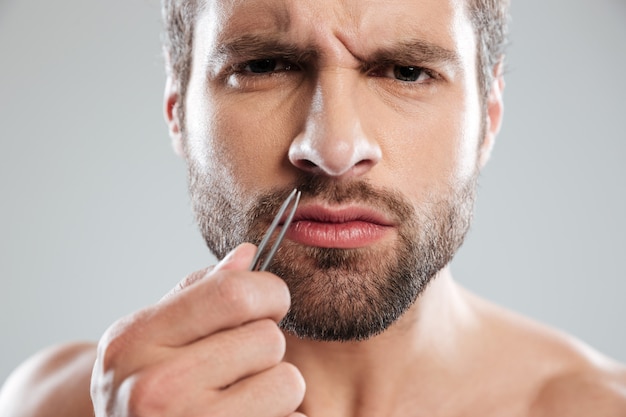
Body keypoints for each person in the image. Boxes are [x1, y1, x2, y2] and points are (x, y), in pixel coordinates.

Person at [1, 0, 626, 415]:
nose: (332, 149)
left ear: (488, 120)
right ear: (176, 107)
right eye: (266, 65)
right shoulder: (56, 404)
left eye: (406, 72)